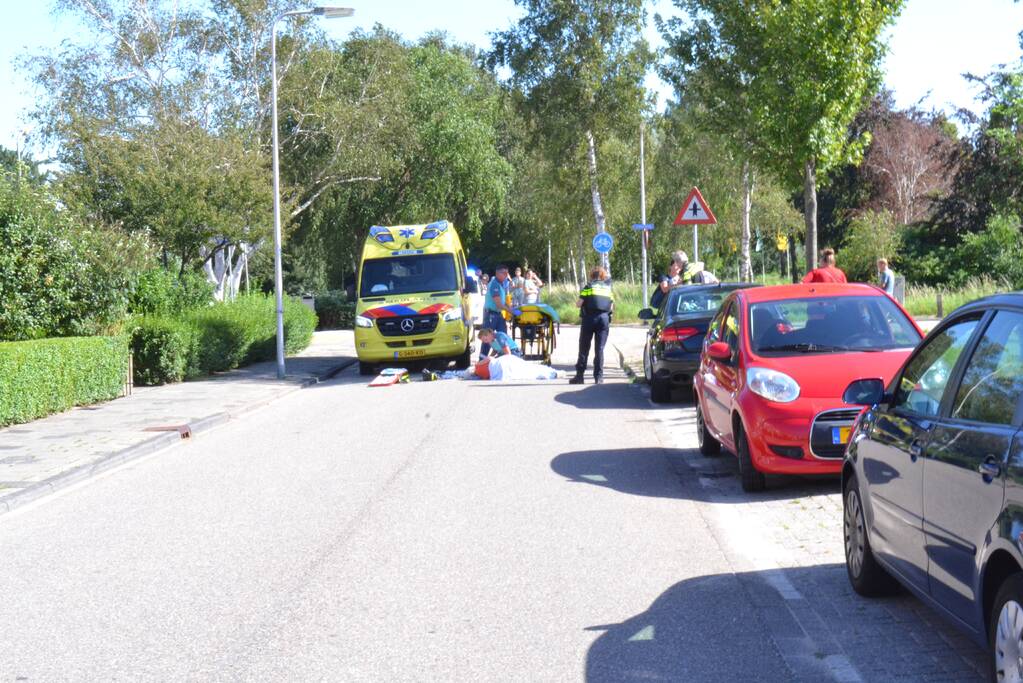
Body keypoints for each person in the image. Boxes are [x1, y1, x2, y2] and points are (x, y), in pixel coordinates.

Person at [570, 266, 614, 385]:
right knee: (599, 349)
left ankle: (579, 376)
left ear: (591, 275)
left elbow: (579, 304)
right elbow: (611, 306)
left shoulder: (588, 286)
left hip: (589, 318)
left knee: (584, 347)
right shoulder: (607, 289)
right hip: (604, 319)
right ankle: (598, 377)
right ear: (602, 276)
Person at [480, 265, 515, 359]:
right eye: (504, 273)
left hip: (498, 314)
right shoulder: (494, 284)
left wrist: (511, 308)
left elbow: (503, 302)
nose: (506, 275)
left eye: (507, 273)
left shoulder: (501, 283)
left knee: (503, 336)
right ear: (497, 273)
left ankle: (504, 358)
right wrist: (511, 311)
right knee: (487, 338)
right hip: (491, 314)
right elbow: (499, 304)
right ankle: (482, 361)